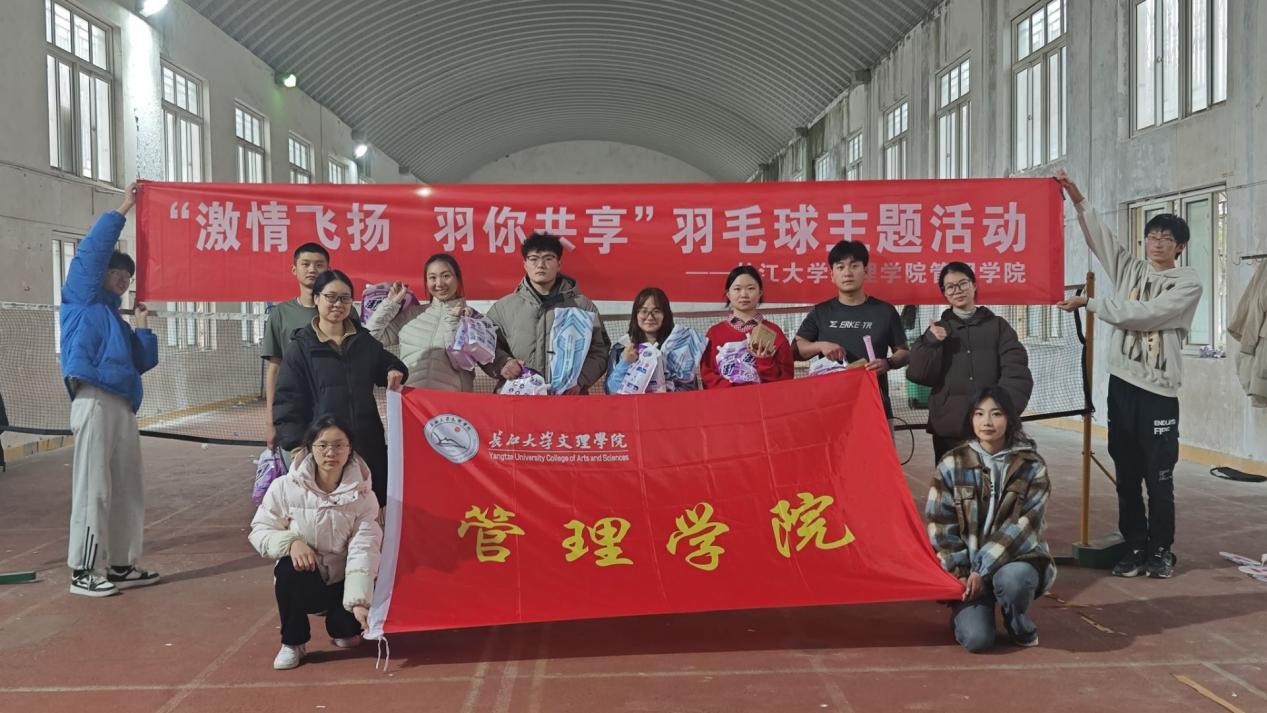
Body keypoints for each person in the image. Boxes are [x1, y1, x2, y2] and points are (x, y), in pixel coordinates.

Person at [1055, 170, 1202, 579]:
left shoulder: (1187, 283)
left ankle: (1161, 550)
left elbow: (1145, 315)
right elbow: (1100, 237)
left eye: (1166, 239)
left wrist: (1091, 303)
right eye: (1152, 237)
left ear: (1180, 247)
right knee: (1127, 474)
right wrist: (1076, 196)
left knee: (1159, 476)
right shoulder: (1130, 270)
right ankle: (1135, 545)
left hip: (1159, 392)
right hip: (1122, 386)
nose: (1157, 244)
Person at [59, 182, 161, 597]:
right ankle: (83, 570)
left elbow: (143, 361)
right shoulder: (81, 299)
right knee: (94, 487)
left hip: (122, 405)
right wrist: (124, 207)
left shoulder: (117, 320)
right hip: (94, 399)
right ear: (100, 273)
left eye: (127, 276)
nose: (122, 279)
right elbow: (91, 252)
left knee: (127, 488)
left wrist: (143, 324)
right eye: (116, 272)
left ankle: (121, 563)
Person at [925, 387, 1055, 653]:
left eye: (996, 414)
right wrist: (961, 572)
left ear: (1009, 419)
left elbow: (1025, 526)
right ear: (971, 419)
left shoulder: (1032, 466)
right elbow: (940, 525)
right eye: (979, 414)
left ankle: (1019, 624)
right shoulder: (952, 463)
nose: (987, 422)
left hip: (1015, 559)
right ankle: (966, 615)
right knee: (978, 641)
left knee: (1014, 581)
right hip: (969, 570)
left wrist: (982, 569)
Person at [249, 416, 382, 670]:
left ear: (350, 449)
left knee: (347, 635)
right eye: (322, 445)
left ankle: (343, 621)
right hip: (307, 576)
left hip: (344, 579)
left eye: (339, 445)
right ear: (310, 447)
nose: (330, 452)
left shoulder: (364, 496)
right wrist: (291, 542)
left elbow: (364, 547)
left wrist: (359, 601)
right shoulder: (284, 487)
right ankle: (293, 642)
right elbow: (260, 530)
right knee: (286, 569)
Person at [273, 270, 407, 506]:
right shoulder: (301, 348)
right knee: (330, 510)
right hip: (325, 449)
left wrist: (393, 370)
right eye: (331, 297)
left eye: (345, 298)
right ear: (317, 299)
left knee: (369, 508)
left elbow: (391, 365)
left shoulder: (363, 342)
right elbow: (287, 400)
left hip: (367, 444)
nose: (338, 304)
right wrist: (296, 447)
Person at [907, 262, 1033, 463]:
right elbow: (918, 374)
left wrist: (1001, 412)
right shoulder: (937, 330)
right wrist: (930, 342)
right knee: (950, 480)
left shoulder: (999, 327)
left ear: (974, 285)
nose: (957, 290)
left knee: (993, 480)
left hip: (991, 430)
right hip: (950, 428)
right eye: (950, 287)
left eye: (963, 283)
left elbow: (1017, 373)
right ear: (944, 293)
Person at [794, 240, 909, 419]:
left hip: (875, 406)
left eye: (854, 266)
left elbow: (904, 352)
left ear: (866, 271)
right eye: (840, 267)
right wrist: (820, 346)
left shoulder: (885, 311)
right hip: (830, 407)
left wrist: (887, 363)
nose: (847, 273)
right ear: (832, 275)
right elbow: (795, 350)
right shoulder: (821, 312)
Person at [486, 233, 610, 393]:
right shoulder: (503, 308)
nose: (541, 265)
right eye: (534, 259)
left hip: (567, 398)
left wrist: (580, 380)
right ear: (525, 264)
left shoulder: (582, 306)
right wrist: (503, 363)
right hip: (517, 397)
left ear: (559, 264)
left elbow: (600, 351)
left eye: (548, 258)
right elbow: (487, 346)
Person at [366, 253, 489, 391]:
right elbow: (368, 339)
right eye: (432, 278)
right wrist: (391, 304)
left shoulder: (473, 319)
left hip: (452, 401)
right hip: (411, 400)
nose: (439, 283)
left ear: (458, 278)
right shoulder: (411, 315)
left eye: (446, 276)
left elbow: (463, 362)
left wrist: (455, 321)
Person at [261, 243, 332, 449]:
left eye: (319, 265)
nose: (312, 269)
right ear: (294, 269)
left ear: (328, 269)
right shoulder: (280, 314)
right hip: (293, 410)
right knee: (296, 466)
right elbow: (274, 369)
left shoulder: (342, 310)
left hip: (333, 408)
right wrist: (271, 422)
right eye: (306, 264)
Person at [699, 266, 794, 388]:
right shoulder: (714, 333)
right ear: (728, 294)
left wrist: (765, 362)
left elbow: (786, 377)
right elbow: (707, 375)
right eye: (737, 289)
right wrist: (734, 391)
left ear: (760, 293)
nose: (744, 294)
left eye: (751, 288)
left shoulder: (774, 332)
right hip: (726, 398)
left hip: (764, 398)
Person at [605, 287, 700, 393]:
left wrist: (669, 386)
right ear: (636, 315)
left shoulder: (679, 349)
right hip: (634, 404)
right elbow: (611, 391)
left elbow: (691, 389)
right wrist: (625, 362)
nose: (650, 317)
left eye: (656, 311)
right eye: (644, 311)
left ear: (665, 315)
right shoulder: (622, 348)